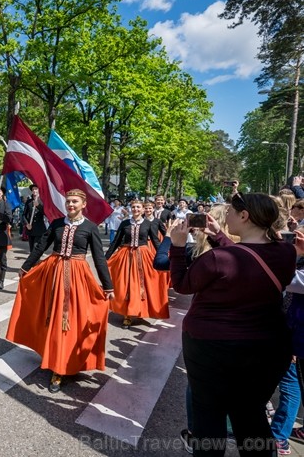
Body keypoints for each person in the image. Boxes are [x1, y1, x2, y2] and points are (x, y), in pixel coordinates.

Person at [170, 192, 295, 456]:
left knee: (209, 418)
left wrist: (178, 246)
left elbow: (182, 284)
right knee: (250, 416)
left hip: (212, 346)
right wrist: (219, 237)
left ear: (244, 216)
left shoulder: (216, 259)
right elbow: (246, 259)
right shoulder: (285, 252)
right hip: (266, 347)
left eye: (230, 212)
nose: (225, 216)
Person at [6, 189, 114, 393]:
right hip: (53, 273)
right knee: (52, 317)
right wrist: (26, 267)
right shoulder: (57, 223)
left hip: (77, 276)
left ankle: (61, 366)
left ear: (83, 205)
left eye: (75, 201)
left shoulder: (90, 228)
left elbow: (99, 258)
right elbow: (40, 246)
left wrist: (107, 285)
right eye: (68, 201)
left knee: (69, 320)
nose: (70, 205)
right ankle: (53, 356)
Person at [105, 200, 166, 329]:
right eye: (133, 207)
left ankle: (139, 308)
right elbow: (116, 241)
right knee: (126, 284)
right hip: (126, 255)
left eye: (138, 207)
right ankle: (127, 314)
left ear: (143, 209)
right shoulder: (125, 223)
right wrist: (106, 258)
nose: (135, 209)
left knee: (142, 283)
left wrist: (163, 256)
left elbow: (155, 241)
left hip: (143, 255)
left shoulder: (148, 224)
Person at [23, 184, 47, 252]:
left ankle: (35, 261)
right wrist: (27, 224)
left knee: (35, 247)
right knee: (31, 247)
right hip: (30, 228)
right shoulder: (29, 202)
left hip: (39, 228)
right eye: (33, 189)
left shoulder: (43, 200)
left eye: (36, 189)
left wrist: (38, 206)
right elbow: (24, 215)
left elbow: (45, 213)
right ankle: (33, 261)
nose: (34, 191)